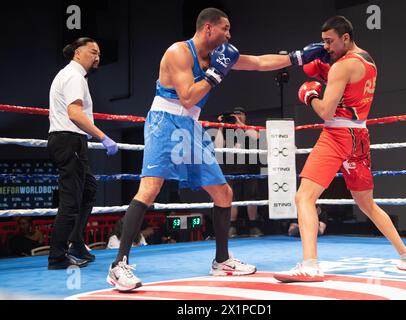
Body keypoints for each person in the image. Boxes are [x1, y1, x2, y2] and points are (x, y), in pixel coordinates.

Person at [106, 7, 329, 292]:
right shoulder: (178, 53)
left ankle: (222, 260)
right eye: (225, 28)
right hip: (164, 121)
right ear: (208, 28)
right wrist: (215, 74)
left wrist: (297, 57)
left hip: (191, 126)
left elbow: (259, 63)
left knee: (223, 193)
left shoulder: (217, 57)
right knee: (149, 189)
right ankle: (118, 265)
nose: (229, 34)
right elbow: (187, 97)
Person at [274, 16, 406, 283]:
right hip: (360, 135)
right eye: (323, 41)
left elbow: (326, 111)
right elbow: (349, 92)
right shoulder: (367, 60)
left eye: (330, 41)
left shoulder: (342, 67)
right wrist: (326, 73)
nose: (326, 47)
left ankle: (310, 265)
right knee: (366, 203)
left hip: (337, 133)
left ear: (345, 37)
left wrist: (310, 95)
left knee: (304, 197)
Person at [47, 37, 119, 270]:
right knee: (70, 202)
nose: (97, 57)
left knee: (89, 189)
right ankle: (57, 256)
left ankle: (76, 242)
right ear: (77, 53)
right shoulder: (74, 76)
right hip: (68, 140)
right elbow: (75, 114)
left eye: (99, 53)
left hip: (72, 140)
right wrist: (103, 136)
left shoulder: (74, 76)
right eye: (92, 52)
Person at [214, 106, 263, 237]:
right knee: (231, 198)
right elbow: (217, 146)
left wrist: (240, 124)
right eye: (235, 115)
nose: (237, 117)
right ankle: (233, 226)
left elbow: (256, 137)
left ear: (244, 116)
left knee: (252, 197)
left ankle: (253, 226)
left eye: (240, 115)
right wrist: (220, 125)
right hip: (231, 169)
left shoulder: (248, 128)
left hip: (250, 168)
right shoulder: (226, 129)